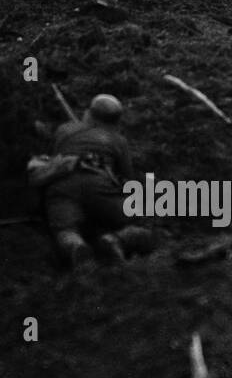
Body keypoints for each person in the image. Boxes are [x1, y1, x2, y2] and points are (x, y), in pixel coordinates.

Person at [28, 94, 154, 268]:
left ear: (89, 114)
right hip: (99, 186)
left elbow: (52, 155)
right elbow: (127, 181)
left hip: (62, 185)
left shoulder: (65, 129)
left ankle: (75, 246)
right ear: (116, 122)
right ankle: (116, 239)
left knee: (65, 230)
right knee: (136, 220)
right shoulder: (118, 140)